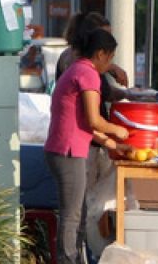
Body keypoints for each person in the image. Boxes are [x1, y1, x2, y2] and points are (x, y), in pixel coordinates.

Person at [44, 28, 130, 264]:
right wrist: (118, 131)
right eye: (110, 58)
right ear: (101, 54)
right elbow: (95, 120)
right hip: (67, 152)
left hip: (63, 148)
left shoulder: (77, 68)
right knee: (72, 215)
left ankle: (76, 258)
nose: (110, 64)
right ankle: (68, 259)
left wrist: (111, 144)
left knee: (78, 213)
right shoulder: (88, 74)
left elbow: (84, 123)